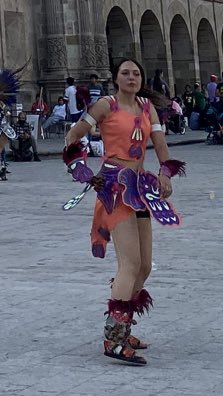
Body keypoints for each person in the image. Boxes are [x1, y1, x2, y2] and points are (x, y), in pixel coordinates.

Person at [63, 58, 186, 366]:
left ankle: (125, 326)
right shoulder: (106, 105)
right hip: (115, 187)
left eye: (136, 73)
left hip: (141, 188)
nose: (132, 77)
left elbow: (160, 144)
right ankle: (113, 337)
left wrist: (166, 173)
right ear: (116, 78)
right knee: (129, 263)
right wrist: (81, 170)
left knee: (143, 266)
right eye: (125, 73)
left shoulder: (147, 107)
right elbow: (73, 136)